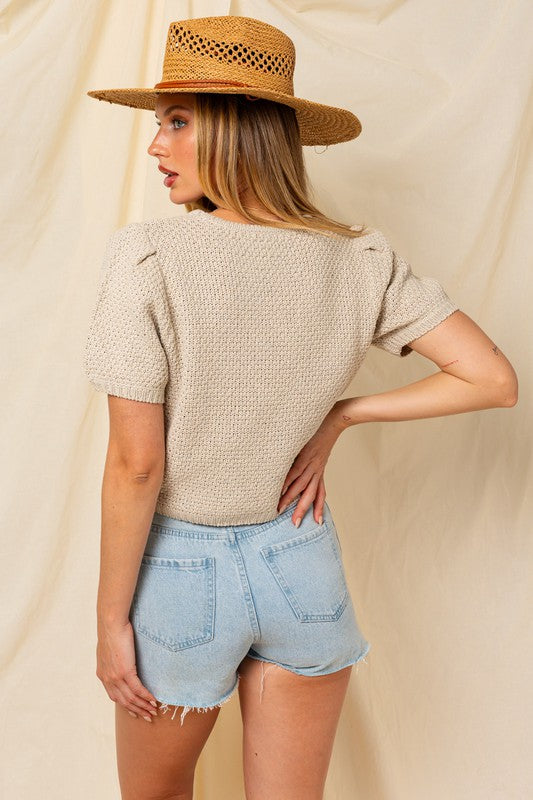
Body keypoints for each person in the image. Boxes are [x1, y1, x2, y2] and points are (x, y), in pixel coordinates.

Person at [84, 14, 518, 800]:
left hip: (180, 568)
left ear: (235, 130)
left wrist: (111, 623)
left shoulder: (146, 256)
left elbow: (136, 463)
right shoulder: (358, 257)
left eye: (176, 122)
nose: (155, 146)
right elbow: (490, 378)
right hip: (299, 559)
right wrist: (342, 413)